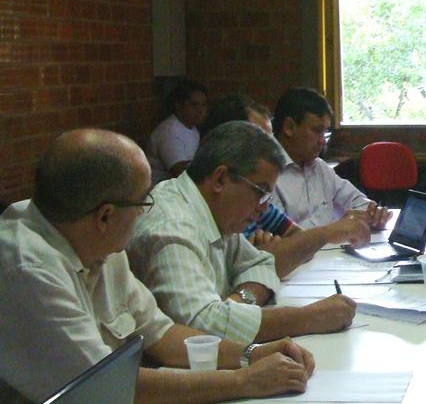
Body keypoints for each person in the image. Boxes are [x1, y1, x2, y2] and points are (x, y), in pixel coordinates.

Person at [0, 129, 314, 404]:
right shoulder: (28, 269)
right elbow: (107, 387)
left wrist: (251, 355)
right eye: (141, 203)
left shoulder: (97, 240)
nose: (144, 214)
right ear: (106, 215)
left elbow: (161, 333)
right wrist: (245, 380)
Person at [129, 122, 357, 344]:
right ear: (220, 179)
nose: (265, 207)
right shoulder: (173, 226)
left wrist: (239, 301)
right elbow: (201, 327)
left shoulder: (215, 210)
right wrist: (309, 318)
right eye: (260, 192)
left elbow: (262, 264)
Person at [202, 93, 371, 274]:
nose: (273, 150)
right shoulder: (183, 221)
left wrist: (270, 255)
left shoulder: (252, 201)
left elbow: (278, 257)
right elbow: (248, 270)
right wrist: (327, 232)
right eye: (261, 143)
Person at [271, 88, 391, 230]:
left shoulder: (320, 168)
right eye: (316, 130)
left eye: (325, 132)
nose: (323, 141)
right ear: (289, 127)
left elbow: (357, 200)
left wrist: (372, 214)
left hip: (331, 250)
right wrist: (335, 228)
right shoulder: (266, 173)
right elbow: (281, 236)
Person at [147, 79, 208, 184]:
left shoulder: (192, 129)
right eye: (194, 105)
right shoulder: (168, 132)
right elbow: (180, 171)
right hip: (162, 194)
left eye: (204, 105)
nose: (200, 110)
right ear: (178, 105)